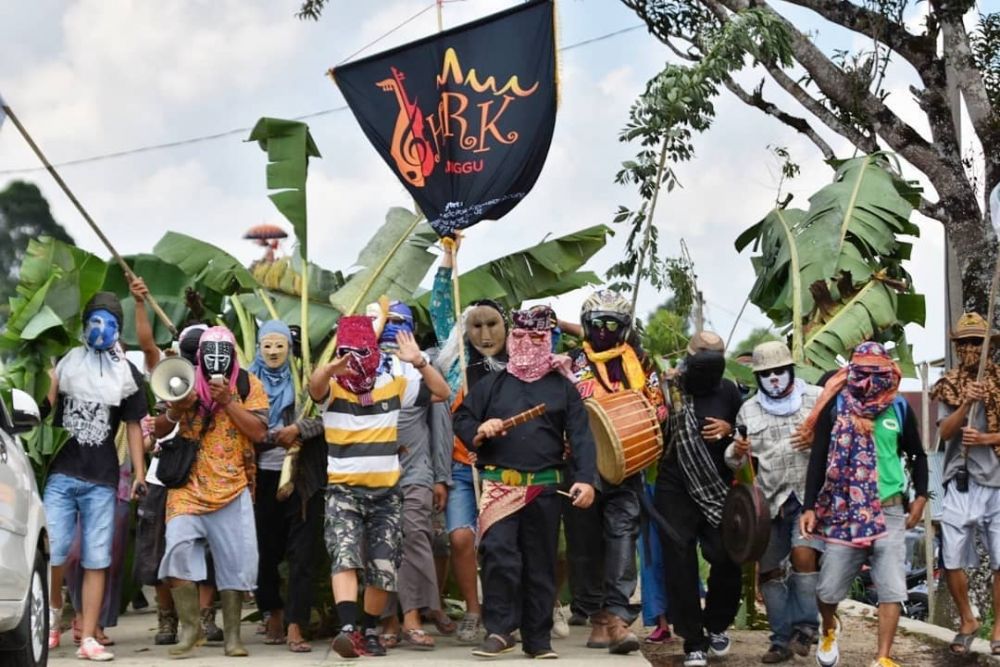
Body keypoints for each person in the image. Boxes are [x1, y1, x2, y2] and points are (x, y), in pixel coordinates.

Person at [453, 306, 597, 659]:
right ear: (511, 339)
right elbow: (462, 418)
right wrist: (478, 431)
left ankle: (537, 639)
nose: (528, 343)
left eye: (536, 337)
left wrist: (586, 480)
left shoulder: (564, 388)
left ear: (547, 339)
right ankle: (500, 631)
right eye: (520, 336)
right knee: (499, 557)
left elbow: (581, 438)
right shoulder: (492, 384)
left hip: (545, 488)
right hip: (500, 486)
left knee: (540, 563)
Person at [308, 315, 450, 658]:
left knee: (383, 568)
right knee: (345, 557)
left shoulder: (392, 383)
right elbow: (314, 388)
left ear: (373, 351)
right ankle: (347, 629)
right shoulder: (333, 389)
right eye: (347, 351)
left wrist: (419, 360)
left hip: (387, 495)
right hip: (343, 492)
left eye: (361, 351)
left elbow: (442, 392)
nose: (354, 359)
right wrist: (330, 369)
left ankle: (368, 629)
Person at [799, 341, 928, 667]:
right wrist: (809, 506)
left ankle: (883, 657)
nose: (870, 379)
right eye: (863, 371)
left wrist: (922, 496)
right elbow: (818, 458)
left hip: (889, 510)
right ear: (852, 372)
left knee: (892, 588)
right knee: (827, 590)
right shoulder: (837, 406)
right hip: (845, 513)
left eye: (877, 372)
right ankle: (829, 627)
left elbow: (918, 454)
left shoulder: (898, 407)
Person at [44, 292, 148, 662]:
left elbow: (134, 424)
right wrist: (46, 375)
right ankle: (53, 615)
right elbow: (44, 408)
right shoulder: (64, 364)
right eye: (95, 321)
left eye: (110, 323)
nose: (101, 329)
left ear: (119, 330)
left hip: (103, 480)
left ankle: (88, 636)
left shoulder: (127, 374)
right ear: (85, 323)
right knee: (54, 550)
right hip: (61, 473)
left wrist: (139, 472)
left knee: (96, 558)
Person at [153, 326, 268, 658]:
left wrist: (228, 402)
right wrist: (176, 409)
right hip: (187, 487)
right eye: (210, 353)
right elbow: (159, 430)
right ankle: (191, 630)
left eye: (224, 352)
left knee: (236, 563)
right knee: (176, 549)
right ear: (200, 356)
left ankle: (233, 636)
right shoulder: (184, 377)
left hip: (233, 487)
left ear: (232, 355)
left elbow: (259, 432)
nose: (216, 359)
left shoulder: (249, 384)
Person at [564, 290, 667, 654]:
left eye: (612, 323)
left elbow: (657, 408)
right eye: (597, 323)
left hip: (627, 468)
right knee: (585, 547)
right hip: (580, 467)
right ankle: (598, 618)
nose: (604, 330)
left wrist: (643, 418)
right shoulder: (571, 362)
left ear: (624, 327)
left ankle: (619, 619)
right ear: (586, 325)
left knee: (622, 539)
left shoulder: (639, 362)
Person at [129, 279, 226, 644]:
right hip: (164, 476)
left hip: (206, 476)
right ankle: (167, 619)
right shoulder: (167, 370)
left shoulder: (221, 381)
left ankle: (204, 619)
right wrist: (140, 304)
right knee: (159, 552)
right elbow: (146, 346)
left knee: (207, 552)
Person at [725, 341, 823, 663]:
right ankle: (780, 640)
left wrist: (817, 436)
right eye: (766, 373)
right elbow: (737, 463)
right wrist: (736, 453)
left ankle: (806, 628)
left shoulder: (814, 398)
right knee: (768, 572)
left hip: (808, 499)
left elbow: (837, 438)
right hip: (768, 503)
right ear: (758, 377)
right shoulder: (748, 410)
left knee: (803, 555)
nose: (775, 378)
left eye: (780, 371)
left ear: (791, 370)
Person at [430, 244, 509, 644]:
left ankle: (509, 610)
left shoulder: (517, 366)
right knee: (462, 537)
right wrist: (448, 255)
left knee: (501, 542)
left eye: (492, 325)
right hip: (461, 467)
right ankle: (473, 612)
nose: (485, 334)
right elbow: (441, 303)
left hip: (505, 468)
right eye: (476, 326)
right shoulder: (456, 357)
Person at [366, 301, 454, 650]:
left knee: (415, 535)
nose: (390, 328)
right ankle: (387, 618)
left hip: (416, 469)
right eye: (384, 321)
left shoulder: (422, 367)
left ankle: (413, 616)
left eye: (398, 322)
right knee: (378, 544)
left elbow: (441, 418)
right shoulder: (359, 367)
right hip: (372, 471)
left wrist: (440, 476)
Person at [654, 331, 743, 667]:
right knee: (679, 560)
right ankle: (693, 640)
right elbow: (650, 432)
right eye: (702, 355)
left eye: (715, 356)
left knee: (727, 554)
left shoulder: (730, 390)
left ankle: (717, 624)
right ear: (689, 355)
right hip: (674, 486)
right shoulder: (667, 388)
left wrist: (729, 430)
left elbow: (744, 433)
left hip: (717, 487)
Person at [248, 320, 326, 653]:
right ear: (258, 348)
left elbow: (328, 416)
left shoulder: (307, 378)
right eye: (267, 345)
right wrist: (269, 437)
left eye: (280, 345)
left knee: (303, 552)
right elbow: (240, 424)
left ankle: (296, 624)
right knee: (263, 552)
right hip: (262, 478)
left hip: (302, 478)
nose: (274, 352)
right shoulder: (247, 382)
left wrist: (299, 430)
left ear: (289, 348)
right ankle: (273, 612)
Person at [931, 313, 1000, 656]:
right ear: (957, 347)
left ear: (988, 347)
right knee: (952, 557)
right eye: (965, 343)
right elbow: (944, 433)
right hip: (958, 481)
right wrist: (968, 403)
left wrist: (987, 437)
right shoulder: (949, 383)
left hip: (997, 484)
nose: (971, 348)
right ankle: (967, 619)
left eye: (977, 342)